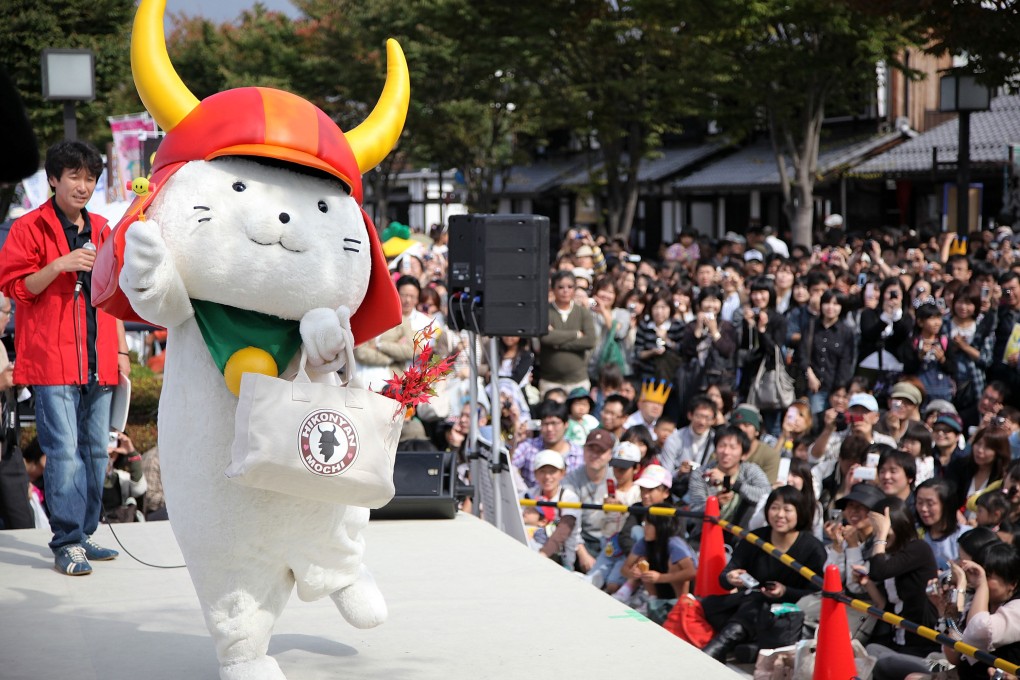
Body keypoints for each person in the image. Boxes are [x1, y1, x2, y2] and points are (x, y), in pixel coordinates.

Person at [0, 140, 130, 576]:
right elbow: (17, 288)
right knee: (65, 453)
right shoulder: (28, 228)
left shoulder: (104, 229)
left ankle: (85, 534)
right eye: (73, 176)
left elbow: (113, 297)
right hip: (53, 361)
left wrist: (122, 352)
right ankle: (67, 540)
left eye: (90, 178)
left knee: (96, 452)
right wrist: (61, 265)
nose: (83, 186)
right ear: (53, 179)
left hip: (99, 359)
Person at [700, 485, 826, 661]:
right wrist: (731, 577)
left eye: (787, 509)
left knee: (756, 605)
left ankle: (722, 646)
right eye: (774, 508)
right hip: (750, 602)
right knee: (713, 605)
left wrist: (784, 591)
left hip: (788, 614)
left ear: (800, 513)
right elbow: (725, 576)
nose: (780, 515)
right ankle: (749, 644)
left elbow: (815, 593)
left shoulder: (813, 548)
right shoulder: (755, 538)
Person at [860, 497, 940, 679]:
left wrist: (881, 536)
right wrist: (867, 583)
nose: (877, 537)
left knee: (882, 663)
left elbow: (879, 571)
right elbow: (883, 602)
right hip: (899, 641)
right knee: (868, 651)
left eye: (882, 531)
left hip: (925, 650)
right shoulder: (895, 555)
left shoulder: (919, 548)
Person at [619, 502, 697, 623]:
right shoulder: (644, 542)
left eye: (649, 524)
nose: (644, 528)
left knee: (674, 564)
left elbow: (691, 572)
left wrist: (660, 577)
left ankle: (681, 604)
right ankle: (652, 600)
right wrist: (632, 573)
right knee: (642, 561)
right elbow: (624, 569)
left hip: (682, 587)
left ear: (661, 526)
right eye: (644, 523)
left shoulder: (675, 542)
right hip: (660, 585)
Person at [687, 425, 771, 530]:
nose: (726, 452)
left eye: (733, 447)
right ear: (715, 450)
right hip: (707, 532)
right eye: (722, 445)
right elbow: (695, 513)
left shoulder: (750, 470)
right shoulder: (701, 473)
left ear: (744, 454)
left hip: (741, 532)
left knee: (750, 505)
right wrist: (716, 504)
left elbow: (766, 495)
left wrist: (732, 483)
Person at [563, 428, 617, 573]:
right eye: (590, 449)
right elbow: (568, 520)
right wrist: (582, 553)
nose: (594, 455)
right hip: (582, 540)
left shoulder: (616, 477)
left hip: (612, 540)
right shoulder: (571, 479)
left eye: (600, 451)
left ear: (610, 454)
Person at [539, 270, 597, 397]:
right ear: (553, 289)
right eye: (560, 287)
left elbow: (590, 341)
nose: (565, 291)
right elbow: (545, 338)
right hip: (550, 381)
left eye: (570, 287)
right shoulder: (545, 312)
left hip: (578, 380)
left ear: (575, 289)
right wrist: (575, 334)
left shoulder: (583, 312)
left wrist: (557, 342)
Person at [799, 289, 855, 415]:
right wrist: (810, 375)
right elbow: (802, 354)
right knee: (814, 421)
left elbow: (846, 361)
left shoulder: (846, 332)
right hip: (814, 386)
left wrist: (840, 388)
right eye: (827, 303)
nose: (830, 307)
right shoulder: (811, 325)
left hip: (835, 389)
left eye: (835, 304)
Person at [524, 449, 581, 568]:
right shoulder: (528, 495)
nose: (547, 477)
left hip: (561, 561)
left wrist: (543, 554)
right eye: (542, 471)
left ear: (562, 473)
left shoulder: (570, 498)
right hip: (530, 554)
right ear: (535, 474)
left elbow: (563, 529)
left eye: (552, 471)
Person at [511, 399, 583, 490]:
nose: (549, 429)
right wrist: (515, 440)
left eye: (554, 423)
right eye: (545, 424)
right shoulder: (528, 447)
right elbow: (509, 466)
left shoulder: (578, 454)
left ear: (566, 424)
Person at [915, 478, 970, 570]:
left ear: (946, 504)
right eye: (919, 502)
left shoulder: (966, 535)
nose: (923, 508)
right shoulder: (914, 533)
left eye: (930, 503)